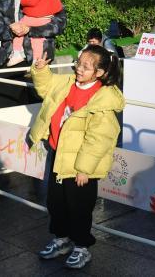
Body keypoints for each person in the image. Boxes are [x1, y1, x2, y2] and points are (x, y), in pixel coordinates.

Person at [28, 45, 124, 270]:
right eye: (79, 63)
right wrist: (41, 70)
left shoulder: (102, 99)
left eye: (86, 67)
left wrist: (84, 169)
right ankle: (61, 239)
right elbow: (46, 87)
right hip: (59, 155)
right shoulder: (68, 82)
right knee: (56, 202)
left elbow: (99, 139)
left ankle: (82, 247)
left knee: (79, 207)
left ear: (99, 73)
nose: (79, 69)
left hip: (80, 166)